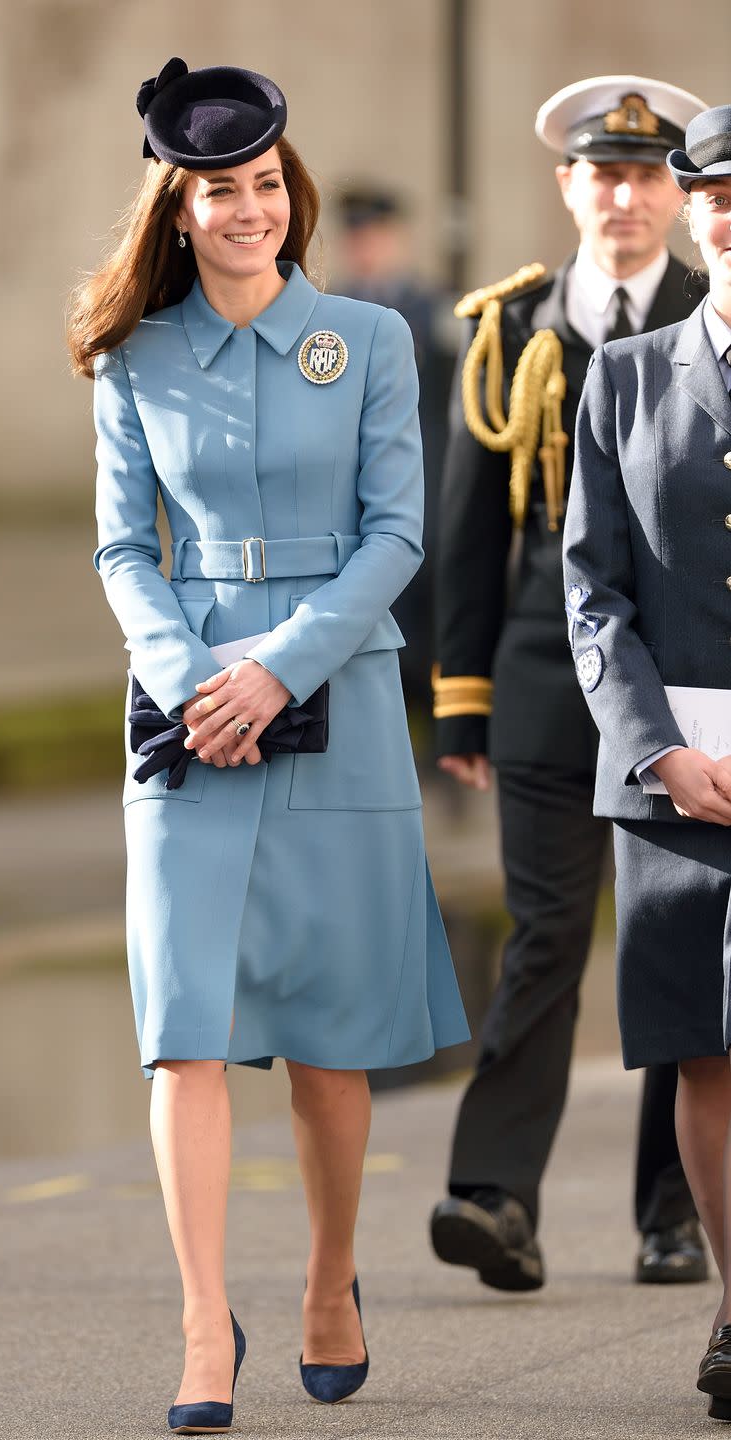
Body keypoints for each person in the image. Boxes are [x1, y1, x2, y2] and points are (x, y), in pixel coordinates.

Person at [67, 58, 468, 1433]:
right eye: (219, 194)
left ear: (287, 193)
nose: (248, 212)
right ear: (178, 210)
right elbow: (126, 548)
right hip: (181, 716)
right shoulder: (135, 356)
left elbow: (398, 537)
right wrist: (191, 679)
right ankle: (199, 1325)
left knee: (327, 1040)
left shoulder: (364, 341)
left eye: (264, 188)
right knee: (183, 1031)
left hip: (338, 700)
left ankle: (332, 1282)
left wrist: (279, 668)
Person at [429, 75, 708, 1292]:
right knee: (546, 935)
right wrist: (461, 696)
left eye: (651, 175)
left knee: (680, 948)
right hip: (548, 676)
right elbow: (467, 527)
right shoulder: (508, 327)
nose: (627, 196)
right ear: (568, 187)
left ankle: (674, 1213)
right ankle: (495, 1195)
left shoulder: (715, 305)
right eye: (605, 173)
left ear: (679, 197)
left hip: (696, 685)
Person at [563, 100, 731, 1425]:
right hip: (676, 783)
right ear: (696, 206)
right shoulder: (621, 379)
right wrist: (657, 752)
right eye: (721, 195)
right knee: (700, 1052)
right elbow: (592, 593)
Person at [334, 186, 456, 757]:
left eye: (376, 236)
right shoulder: (333, 312)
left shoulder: (435, 310)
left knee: (431, 613)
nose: (367, 249)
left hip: (428, 482)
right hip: (357, 488)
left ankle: (440, 746)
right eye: (357, 238)